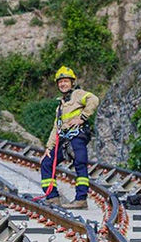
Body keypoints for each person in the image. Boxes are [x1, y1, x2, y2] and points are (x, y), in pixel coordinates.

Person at [39, 66, 99, 210]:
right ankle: (52, 197)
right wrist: (48, 147)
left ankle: (81, 199)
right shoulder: (60, 106)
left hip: (77, 136)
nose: (63, 84)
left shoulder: (78, 94)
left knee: (80, 164)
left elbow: (94, 100)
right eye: (60, 82)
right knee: (47, 162)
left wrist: (82, 118)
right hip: (64, 140)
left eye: (66, 81)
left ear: (72, 82)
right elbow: (56, 128)